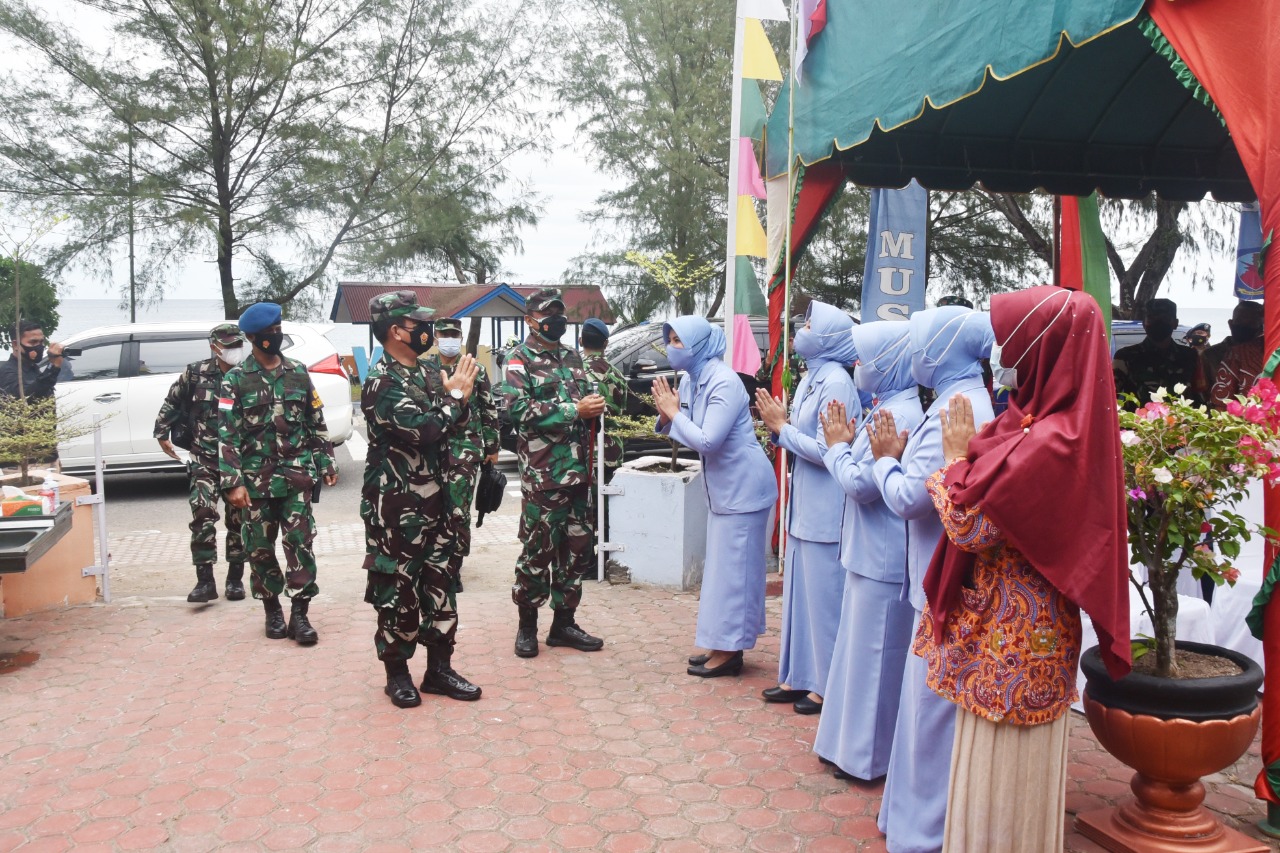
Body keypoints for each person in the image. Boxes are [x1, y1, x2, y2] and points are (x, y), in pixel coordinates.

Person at [917, 286, 1130, 852]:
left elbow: (970, 528)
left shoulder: (1054, 441)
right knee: (996, 766)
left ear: (1047, 350)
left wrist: (953, 462)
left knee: (1004, 774)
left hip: (1016, 637)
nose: (1005, 360)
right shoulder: (1041, 422)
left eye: (1015, 346)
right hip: (1010, 628)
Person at [865, 305, 996, 852]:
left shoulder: (958, 409)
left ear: (941, 350)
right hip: (938, 577)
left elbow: (912, 500)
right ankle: (911, 821)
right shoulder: (955, 401)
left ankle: (922, 834)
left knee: (929, 718)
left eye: (920, 342)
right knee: (925, 714)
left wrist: (883, 460)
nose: (913, 354)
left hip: (942, 583)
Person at [811, 321, 922, 781]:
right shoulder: (888, 406)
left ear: (892, 363)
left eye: (868, 359)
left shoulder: (899, 415)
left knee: (876, 659)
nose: (859, 368)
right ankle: (848, 748)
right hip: (870, 552)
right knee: (858, 656)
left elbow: (861, 485)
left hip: (883, 554)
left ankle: (868, 760)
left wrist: (836, 447)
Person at [361, 293, 481, 708]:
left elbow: (455, 424)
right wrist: (455, 398)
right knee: (399, 591)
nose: (427, 331)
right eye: (418, 323)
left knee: (441, 586)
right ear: (396, 331)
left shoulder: (430, 372)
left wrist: (456, 401)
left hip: (442, 503)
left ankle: (439, 669)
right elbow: (425, 430)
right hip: (399, 509)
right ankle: (397, 674)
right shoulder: (381, 382)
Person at [652, 316, 777, 678]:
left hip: (745, 489)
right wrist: (668, 417)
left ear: (700, 344)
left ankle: (730, 651)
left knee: (736, 573)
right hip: (725, 490)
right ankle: (721, 640)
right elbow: (689, 430)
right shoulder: (694, 379)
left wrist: (675, 415)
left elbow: (708, 440)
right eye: (671, 340)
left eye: (679, 340)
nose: (673, 348)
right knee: (723, 573)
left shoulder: (723, 382)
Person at [753, 301, 857, 715]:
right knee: (800, 597)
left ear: (829, 338)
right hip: (804, 504)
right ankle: (799, 675)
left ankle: (826, 684)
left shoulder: (837, 383)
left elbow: (830, 448)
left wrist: (783, 428)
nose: (802, 329)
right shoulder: (815, 377)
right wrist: (783, 429)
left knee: (824, 598)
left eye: (811, 324)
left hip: (825, 506)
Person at [219, 302, 337, 646]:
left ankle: (300, 614)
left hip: (297, 477)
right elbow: (227, 436)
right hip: (255, 482)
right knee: (259, 548)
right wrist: (233, 481)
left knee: (300, 543)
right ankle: (272, 608)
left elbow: (315, 421)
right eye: (268, 332)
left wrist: (326, 460)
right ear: (253, 338)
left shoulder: (298, 372)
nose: (275, 335)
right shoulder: (235, 380)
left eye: (277, 329)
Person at [503, 288, 606, 658]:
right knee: (538, 550)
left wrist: (594, 405)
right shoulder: (520, 359)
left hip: (579, 473)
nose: (556, 320)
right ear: (530, 318)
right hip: (544, 474)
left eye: (560, 314)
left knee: (578, 549)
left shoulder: (572, 357)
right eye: (548, 314)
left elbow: (587, 400)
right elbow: (516, 410)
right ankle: (526, 626)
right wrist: (572, 410)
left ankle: (564, 623)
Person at [154, 323, 250, 603]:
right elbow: (172, 402)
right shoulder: (195, 372)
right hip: (204, 457)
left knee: (239, 521)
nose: (235, 350)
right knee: (202, 515)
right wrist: (161, 432)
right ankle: (205, 581)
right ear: (214, 347)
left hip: (238, 460)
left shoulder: (248, 374)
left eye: (238, 345)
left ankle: (235, 579)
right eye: (229, 345)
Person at [422, 317, 500, 594]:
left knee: (458, 512)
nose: (449, 338)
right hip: (431, 450)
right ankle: (434, 564)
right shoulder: (424, 369)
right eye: (444, 334)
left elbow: (489, 409)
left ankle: (454, 568)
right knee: (432, 510)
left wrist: (492, 448)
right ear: (435, 337)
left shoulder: (475, 369)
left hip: (465, 450)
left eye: (454, 334)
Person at [1112, 297, 1199, 407]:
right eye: (1152, 318)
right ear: (1144, 323)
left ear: (1175, 323)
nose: (1158, 322)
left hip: (1181, 423)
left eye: (1165, 318)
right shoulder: (1126, 356)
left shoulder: (1189, 356)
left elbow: (1199, 397)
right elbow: (1110, 396)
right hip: (1139, 423)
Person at [578, 318, 627, 483]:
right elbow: (622, 415)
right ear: (606, 344)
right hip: (613, 453)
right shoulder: (618, 376)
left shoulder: (574, 374)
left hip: (583, 454)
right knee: (608, 507)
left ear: (580, 341)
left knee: (585, 507)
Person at [1210, 300, 1265, 409]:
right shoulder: (1237, 354)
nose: (1244, 327)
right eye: (1240, 323)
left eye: (1250, 324)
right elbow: (1220, 403)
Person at [0, 321, 65, 401]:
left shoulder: (33, 368)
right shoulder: (7, 372)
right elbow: (27, 397)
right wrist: (53, 368)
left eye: (41, 342)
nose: (39, 346)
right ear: (15, 344)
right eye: (33, 342)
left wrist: (52, 363)